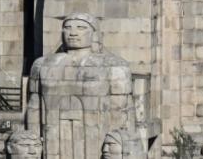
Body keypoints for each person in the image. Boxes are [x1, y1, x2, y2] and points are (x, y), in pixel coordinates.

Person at [26, 13, 137, 159]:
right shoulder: (41, 65)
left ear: (93, 33)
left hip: (97, 145)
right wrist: (32, 144)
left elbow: (122, 114)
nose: (73, 33)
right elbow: (33, 109)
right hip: (52, 142)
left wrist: (118, 147)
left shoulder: (115, 66)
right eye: (67, 27)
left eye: (81, 27)